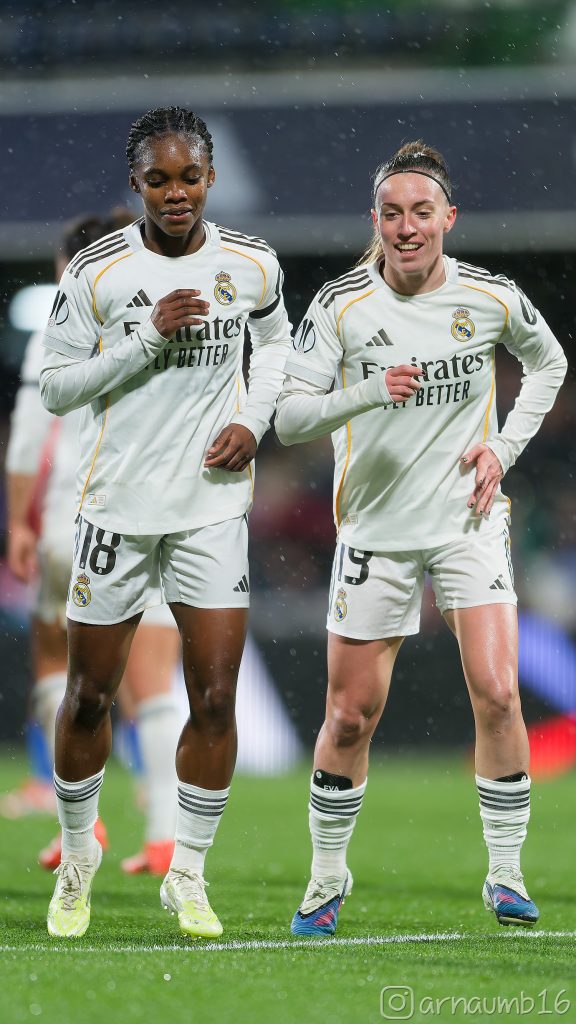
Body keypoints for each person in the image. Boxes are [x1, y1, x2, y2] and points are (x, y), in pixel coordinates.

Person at [275, 141, 567, 936]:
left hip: (467, 520)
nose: (408, 227)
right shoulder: (340, 306)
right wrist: (368, 390)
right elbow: (290, 415)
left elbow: (549, 362)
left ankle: (506, 875)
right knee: (349, 717)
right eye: (393, 213)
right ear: (376, 220)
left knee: (500, 691)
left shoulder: (489, 296)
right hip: (375, 530)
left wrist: (501, 450)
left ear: (448, 218)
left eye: (422, 212)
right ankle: (326, 879)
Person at [39, 106, 291, 939]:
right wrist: (147, 339)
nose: (175, 193)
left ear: (210, 177)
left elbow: (277, 342)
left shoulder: (252, 263)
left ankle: (187, 872)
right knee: (88, 695)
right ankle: (78, 859)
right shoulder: (99, 274)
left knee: (215, 698)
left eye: (189, 177)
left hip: (212, 507)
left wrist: (254, 421)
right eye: (158, 179)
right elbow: (57, 388)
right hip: (117, 506)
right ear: (136, 183)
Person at [5, 211, 182, 877]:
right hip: (155, 515)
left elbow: (29, 436)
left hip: (69, 522)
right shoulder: (169, 319)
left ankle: (78, 824)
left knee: (60, 663)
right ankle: (165, 836)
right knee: (154, 682)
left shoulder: (63, 323)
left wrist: (18, 522)